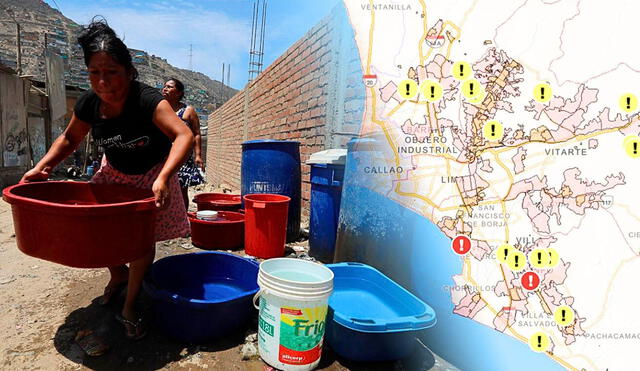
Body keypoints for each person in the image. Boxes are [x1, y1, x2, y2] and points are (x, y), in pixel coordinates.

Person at [20, 19, 193, 340]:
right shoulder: (89, 103)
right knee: (102, 235)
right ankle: (118, 275)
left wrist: (165, 177)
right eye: (94, 73)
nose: (103, 81)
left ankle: (130, 305)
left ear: (128, 72)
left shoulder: (146, 99)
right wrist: (42, 167)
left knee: (140, 243)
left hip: (151, 177)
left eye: (111, 72)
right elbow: (70, 139)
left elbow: (183, 135)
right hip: (111, 174)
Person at [161, 78, 204, 210]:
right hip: (162, 157)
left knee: (181, 190)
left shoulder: (188, 111)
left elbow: (196, 133)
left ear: (179, 92)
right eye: (164, 86)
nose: (165, 89)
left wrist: (198, 155)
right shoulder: (160, 109)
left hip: (182, 157)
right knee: (163, 187)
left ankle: (183, 217)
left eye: (169, 87)